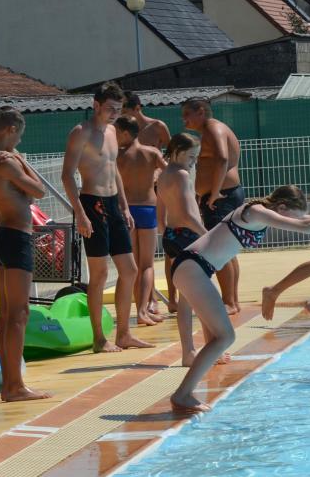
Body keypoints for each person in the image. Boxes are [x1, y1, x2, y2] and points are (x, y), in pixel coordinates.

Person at [169, 185, 310, 414]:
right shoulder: (256, 212)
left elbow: (307, 219)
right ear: (281, 207)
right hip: (193, 267)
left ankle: (199, 370)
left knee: (219, 336)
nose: (291, 222)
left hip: (194, 266)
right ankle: (182, 395)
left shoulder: (261, 211)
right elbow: (305, 226)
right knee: (226, 336)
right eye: (291, 217)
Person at [61, 81, 152, 353]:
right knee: (99, 274)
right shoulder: (81, 132)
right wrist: (80, 213)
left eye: (118, 109)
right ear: (96, 105)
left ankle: (124, 334)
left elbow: (114, 171)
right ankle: (99, 339)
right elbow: (67, 175)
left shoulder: (113, 132)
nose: (114, 114)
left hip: (113, 204)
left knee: (130, 269)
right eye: (110, 108)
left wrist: (124, 206)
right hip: (93, 204)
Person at [0, 107, 51, 402]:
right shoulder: (7, 162)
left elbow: (28, 194)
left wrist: (17, 160)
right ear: (10, 130)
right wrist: (21, 159)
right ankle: (15, 386)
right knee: (19, 314)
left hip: (3, 237)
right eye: (19, 136)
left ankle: (8, 384)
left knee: (7, 315)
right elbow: (39, 190)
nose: (19, 142)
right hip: (16, 238)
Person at [181, 97, 244, 315]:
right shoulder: (213, 129)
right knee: (227, 250)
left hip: (222, 196)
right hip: (222, 195)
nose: (184, 120)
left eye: (187, 114)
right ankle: (232, 300)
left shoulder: (212, 128)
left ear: (200, 111)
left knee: (219, 248)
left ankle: (229, 302)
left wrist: (214, 191)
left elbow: (222, 158)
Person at [156, 132, 214, 366]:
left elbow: (161, 215)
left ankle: (189, 352)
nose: (194, 162)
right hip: (187, 236)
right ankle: (209, 349)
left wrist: (169, 234)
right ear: (178, 152)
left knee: (186, 298)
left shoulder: (163, 175)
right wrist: (208, 236)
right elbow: (190, 215)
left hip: (172, 236)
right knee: (203, 294)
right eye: (191, 157)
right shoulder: (181, 175)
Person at [115, 116, 166, 326]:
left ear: (126, 133)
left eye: (117, 132)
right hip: (147, 208)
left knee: (134, 265)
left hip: (127, 210)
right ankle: (143, 310)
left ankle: (140, 310)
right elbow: (169, 172)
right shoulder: (151, 153)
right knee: (147, 265)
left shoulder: (118, 156)